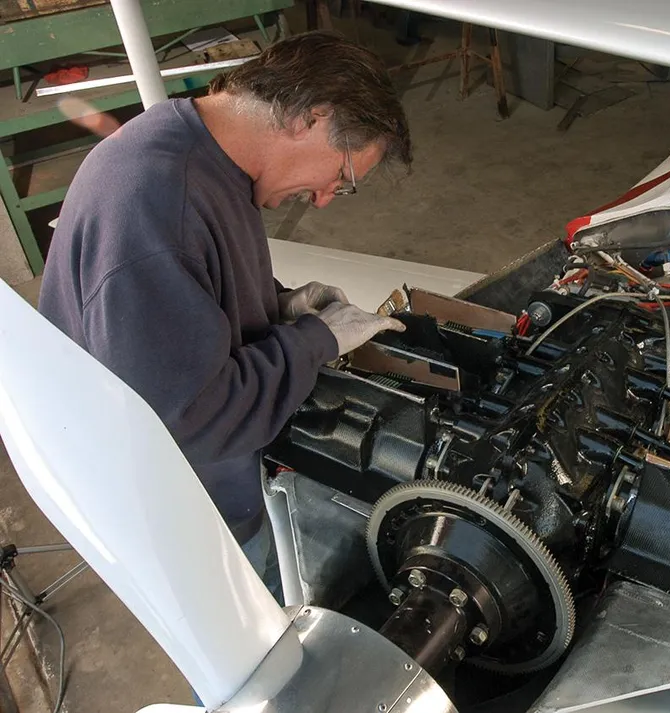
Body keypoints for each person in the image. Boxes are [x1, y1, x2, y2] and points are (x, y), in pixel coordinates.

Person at [37, 31, 410, 601]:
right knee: (250, 640)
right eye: (343, 175)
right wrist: (314, 341)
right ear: (309, 118)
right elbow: (194, 420)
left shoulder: (197, 145)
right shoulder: (160, 208)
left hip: (183, 474)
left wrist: (278, 303)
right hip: (179, 510)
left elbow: (189, 297)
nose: (327, 197)